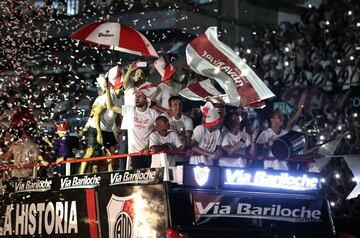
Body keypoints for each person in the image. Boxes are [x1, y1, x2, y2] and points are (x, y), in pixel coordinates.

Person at [79, 66, 124, 174]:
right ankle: (79, 176)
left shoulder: (121, 98)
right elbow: (97, 115)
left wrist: (118, 128)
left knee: (113, 152)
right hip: (95, 127)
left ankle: (110, 176)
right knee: (90, 152)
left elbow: (117, 115)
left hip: (107, 130)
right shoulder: (105, 97)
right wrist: (99, 133)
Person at [108, 81, 160, 169]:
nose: (136, 98)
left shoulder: (153, 113)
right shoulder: (130, 110)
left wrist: (148, 147)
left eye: (139, 96)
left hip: (150, 153)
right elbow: (111, 107)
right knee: (139, 181)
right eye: (136, 96)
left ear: (146, 99)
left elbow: (158, 130)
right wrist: (107, 90)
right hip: (135, 153)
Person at [256, 100, 304, 170]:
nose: (281, 118)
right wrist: (267, 145)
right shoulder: (265, 134)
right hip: (270, 168)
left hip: (283, 168)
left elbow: (291, 122)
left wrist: (300, 108)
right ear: (272, 120)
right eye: (279, 117)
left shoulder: (284, 133)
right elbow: (258, 153)